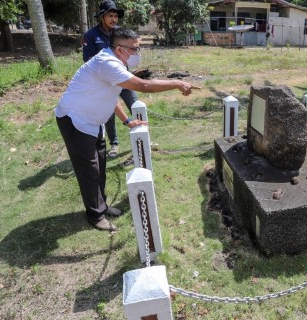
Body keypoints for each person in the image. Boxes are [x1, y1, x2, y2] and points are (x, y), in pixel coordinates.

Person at [55, 27, 200, 231]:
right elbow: (144, 86)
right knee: (89, 171)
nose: (137, 54)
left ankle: (101, 206)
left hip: (93, 122)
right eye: (134, 49)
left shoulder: (116, 64)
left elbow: (112, 97)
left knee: (100, 168)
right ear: (120, 49)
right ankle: (95, 216)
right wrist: (176, 83)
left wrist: (127, 121)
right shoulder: (107, 63)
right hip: (75, 120)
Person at [83, 0, 136, 159]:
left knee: (136, 105)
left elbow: (130, 52)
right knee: (110, 113)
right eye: (110, 16)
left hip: (123, 77)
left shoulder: (120, 33)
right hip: (105, 83)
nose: (114, 19)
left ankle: (141, 137)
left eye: (115, 16)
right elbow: (88, 59)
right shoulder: (91, 35)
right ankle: (114, 143)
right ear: (102, 17)